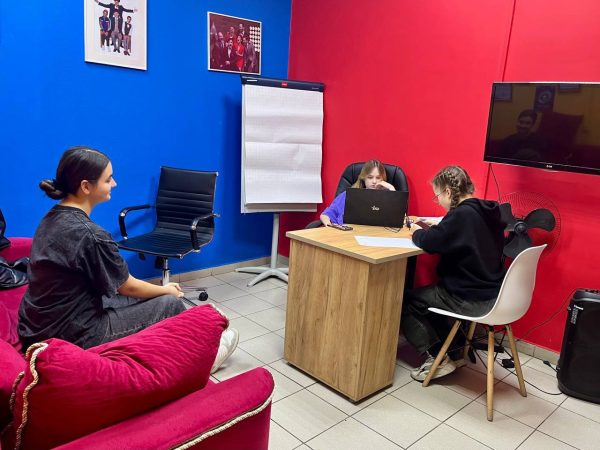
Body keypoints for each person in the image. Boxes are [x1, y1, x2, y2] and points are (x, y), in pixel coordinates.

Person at [18, 147, 238, 373]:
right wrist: (166, 290)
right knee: (169, 303)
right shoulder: (91, 235)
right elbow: (128, 286)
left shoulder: (51, 218)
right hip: (72, 335)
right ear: (86, 187)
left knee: (136, 298)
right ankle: (203, 360)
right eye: (108, 179)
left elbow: (116, 287)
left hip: (36, 329)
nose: (114, 184)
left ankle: (188, 345)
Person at [403, 165, 506, 381]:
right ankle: (454, 352)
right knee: (434, 296)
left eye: (437, 196)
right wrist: (441, 225)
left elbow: (430, 242)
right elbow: (457, 233)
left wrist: (416, 231)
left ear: (448, 192)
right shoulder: (487, 210)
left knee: (406, 302)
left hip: (471, 299)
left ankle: (438, 358)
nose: (438, 201)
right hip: (495, 294)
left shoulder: (461, 216)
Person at [320, 159, 395, 227]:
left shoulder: (387, 198)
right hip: (346, 233)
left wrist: (391, 189)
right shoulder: (348, 195)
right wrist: (329, 225)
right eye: (370, 177)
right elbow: (326, 215)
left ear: (383, 179)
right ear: (364, 178)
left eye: (378, 178)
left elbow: (398, 219)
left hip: (376, 235)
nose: (374, 181)